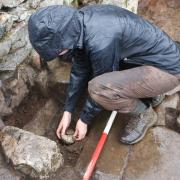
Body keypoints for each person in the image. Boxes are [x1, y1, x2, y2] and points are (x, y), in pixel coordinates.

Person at [28, 5, 180, 145]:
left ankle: (144, 114)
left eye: (56, 50)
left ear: (63, 40)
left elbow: (103, 87)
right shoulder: (81, 22)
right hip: (151, 59)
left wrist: (84, 120)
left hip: (168, 71)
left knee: (98, 89)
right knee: (101, 75)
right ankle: (151, 94)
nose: (57, 54)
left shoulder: (100, 41)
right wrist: (68, 110)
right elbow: (80, 69)